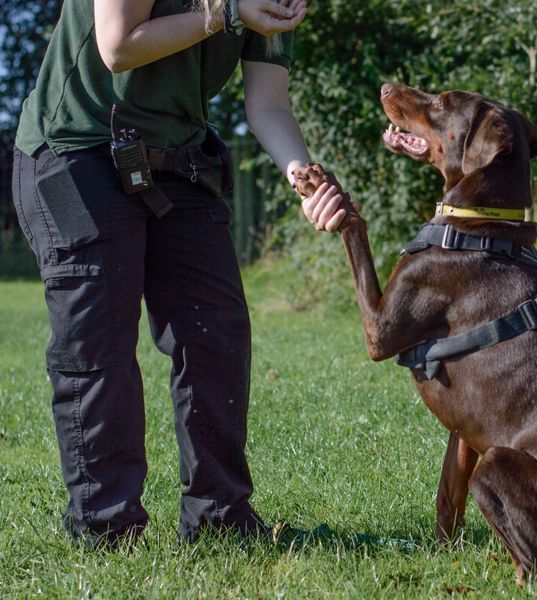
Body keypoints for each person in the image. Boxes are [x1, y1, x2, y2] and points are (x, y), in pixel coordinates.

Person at [11, 0, 346, 547]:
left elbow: (269, 104)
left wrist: (302, 176)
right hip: (76, 145)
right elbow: (117, 46)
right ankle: (106, 527)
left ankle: (220, 520)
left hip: (178, 155)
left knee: (215, 332)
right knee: (99, 341)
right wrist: (227, 14)